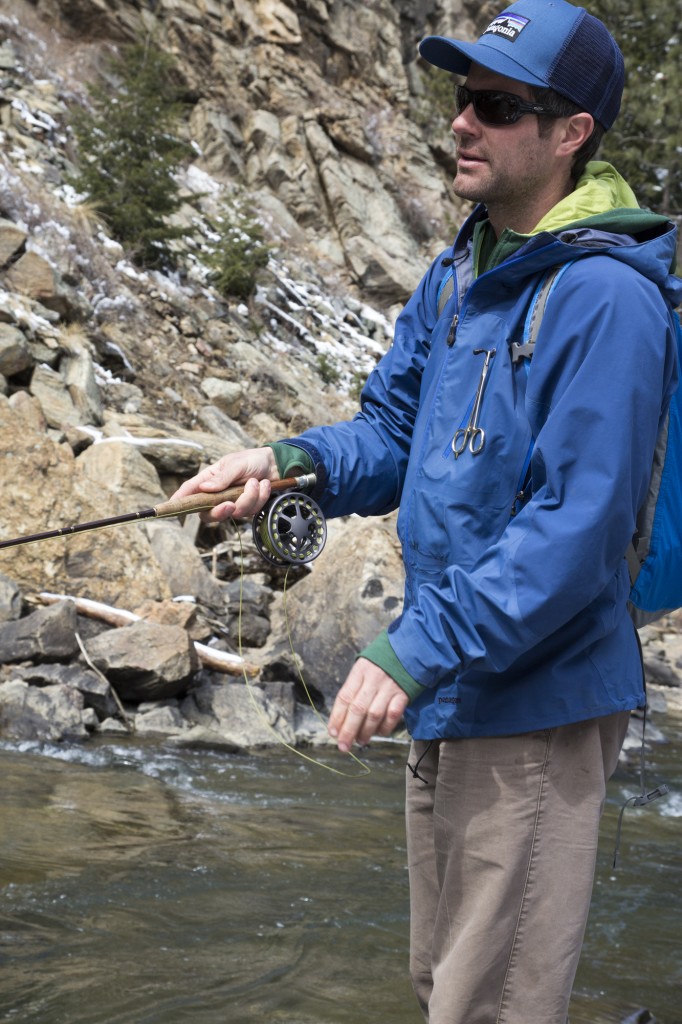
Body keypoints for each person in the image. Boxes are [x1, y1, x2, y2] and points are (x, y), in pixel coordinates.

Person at [172, 1, 682, 1020]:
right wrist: (288, 462)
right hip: (456, 683)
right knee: (445, 984)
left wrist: (411, 649)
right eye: (460, 99)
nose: (461, 123)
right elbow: (395, 436)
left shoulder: (606, 300)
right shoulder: (459, 272)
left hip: (535, 699)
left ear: (572, 131)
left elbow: (576, 534)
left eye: (495, 105)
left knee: (484, 1001)